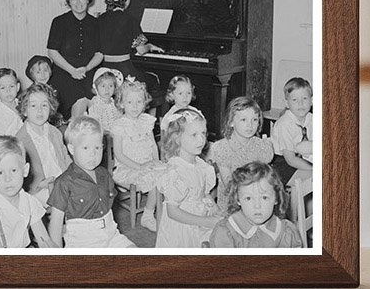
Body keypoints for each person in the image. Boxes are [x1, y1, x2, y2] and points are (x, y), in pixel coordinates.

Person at [47, 116, 134, 248]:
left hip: (111, 233)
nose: (92, 154)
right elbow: (55, 224)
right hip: (83, 241)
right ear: (71, 149)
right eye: (86, 148)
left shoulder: (104, 175)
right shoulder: (64, 182)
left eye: (97, 148)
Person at [154, 110, 223, 249]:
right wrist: (205, 221)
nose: (201, 140)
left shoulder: (201, 165)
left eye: (203, 133)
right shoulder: (175, 171)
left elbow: (204, 193)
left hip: (201, 218)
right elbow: (172, 212)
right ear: (177, 138)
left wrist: (217, 210)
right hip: (182, 227)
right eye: (194, 135)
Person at [0, 136, 57, 248]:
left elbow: (44, 240)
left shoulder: (27, 200)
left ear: (25, 170)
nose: (8, 179)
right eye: (0, 173)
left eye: (13, 170)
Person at [108, 78, 163, 231]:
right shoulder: (119, 125)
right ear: (121, 103)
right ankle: (148, 215)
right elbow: (118, 154)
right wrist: (139, 166)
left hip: (147, 164)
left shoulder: (146, 121)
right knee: (154, 181)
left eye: (139, 102)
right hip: (128, 168)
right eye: (130, 102)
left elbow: (152, 144)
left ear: (144, 102)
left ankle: (161, 211)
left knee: (166, 174)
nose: (134, 106)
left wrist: (156, 162)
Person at [208, 161, 303, 249]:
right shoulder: (226, 232)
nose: (257, 206)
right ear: (238, 199)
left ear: (276, 198)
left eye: (264, 198)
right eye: (248, 198)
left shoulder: (286, 231)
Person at [97, 0, 161, 102]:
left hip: (104, 71)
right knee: (154, 79)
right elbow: (141, 49)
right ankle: (149, 120)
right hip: (125, 71)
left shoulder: (100, 19)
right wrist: (150, 46)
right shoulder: (130, 19)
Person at [46, 0, 103, 117]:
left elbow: (100, 53)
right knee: (81, 101)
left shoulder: (96, 23)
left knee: (98, 102)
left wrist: (86, 68)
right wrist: (72, 70)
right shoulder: (59, 22)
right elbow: (52, 51)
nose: (78, 2)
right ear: (69, 2)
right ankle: (74, 137)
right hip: (64, 72)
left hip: (87, 71)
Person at [207, 96, 274, 209]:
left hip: (257, 201)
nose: (250, 125)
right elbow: (229, 184)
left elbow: (265, 177)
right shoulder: (222, 148)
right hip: (232, 204)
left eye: (255, 120)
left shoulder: (262, 146)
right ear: (231, 122)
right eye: (243, 120)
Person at [15, 82, 69, 205]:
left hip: (61, 181)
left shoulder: (55, 132)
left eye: (44, 105)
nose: (39, 110)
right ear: (24, 110)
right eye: (33, 106)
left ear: (51, 109)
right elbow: (20, 172)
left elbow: (65, 158)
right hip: (38, 189)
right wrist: (39, 184)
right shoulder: (20, 140)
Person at [270, 77, 314, 185]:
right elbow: (290, 159)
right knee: (315, 178)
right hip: (283, 163)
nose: (300, 103)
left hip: (304, 159)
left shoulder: (312, 119)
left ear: (311, 100)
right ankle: (297, 201)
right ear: (287, 103)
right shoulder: (284, 124)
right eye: (294, 100)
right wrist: (314, 169)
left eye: (304, 98)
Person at [72, 66, 123, 133]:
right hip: (99, 133)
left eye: (110, 86)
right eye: (103, 86)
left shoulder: (115, 103)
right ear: (96, 88)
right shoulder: (94, 103)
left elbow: (119, 118)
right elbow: (94, 122)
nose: (107, 89)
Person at [0, 67, 23, 139]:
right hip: (8, 147)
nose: (8, 91)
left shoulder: (23, 105)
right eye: (3, 88)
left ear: (18, 87)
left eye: (12, 86)